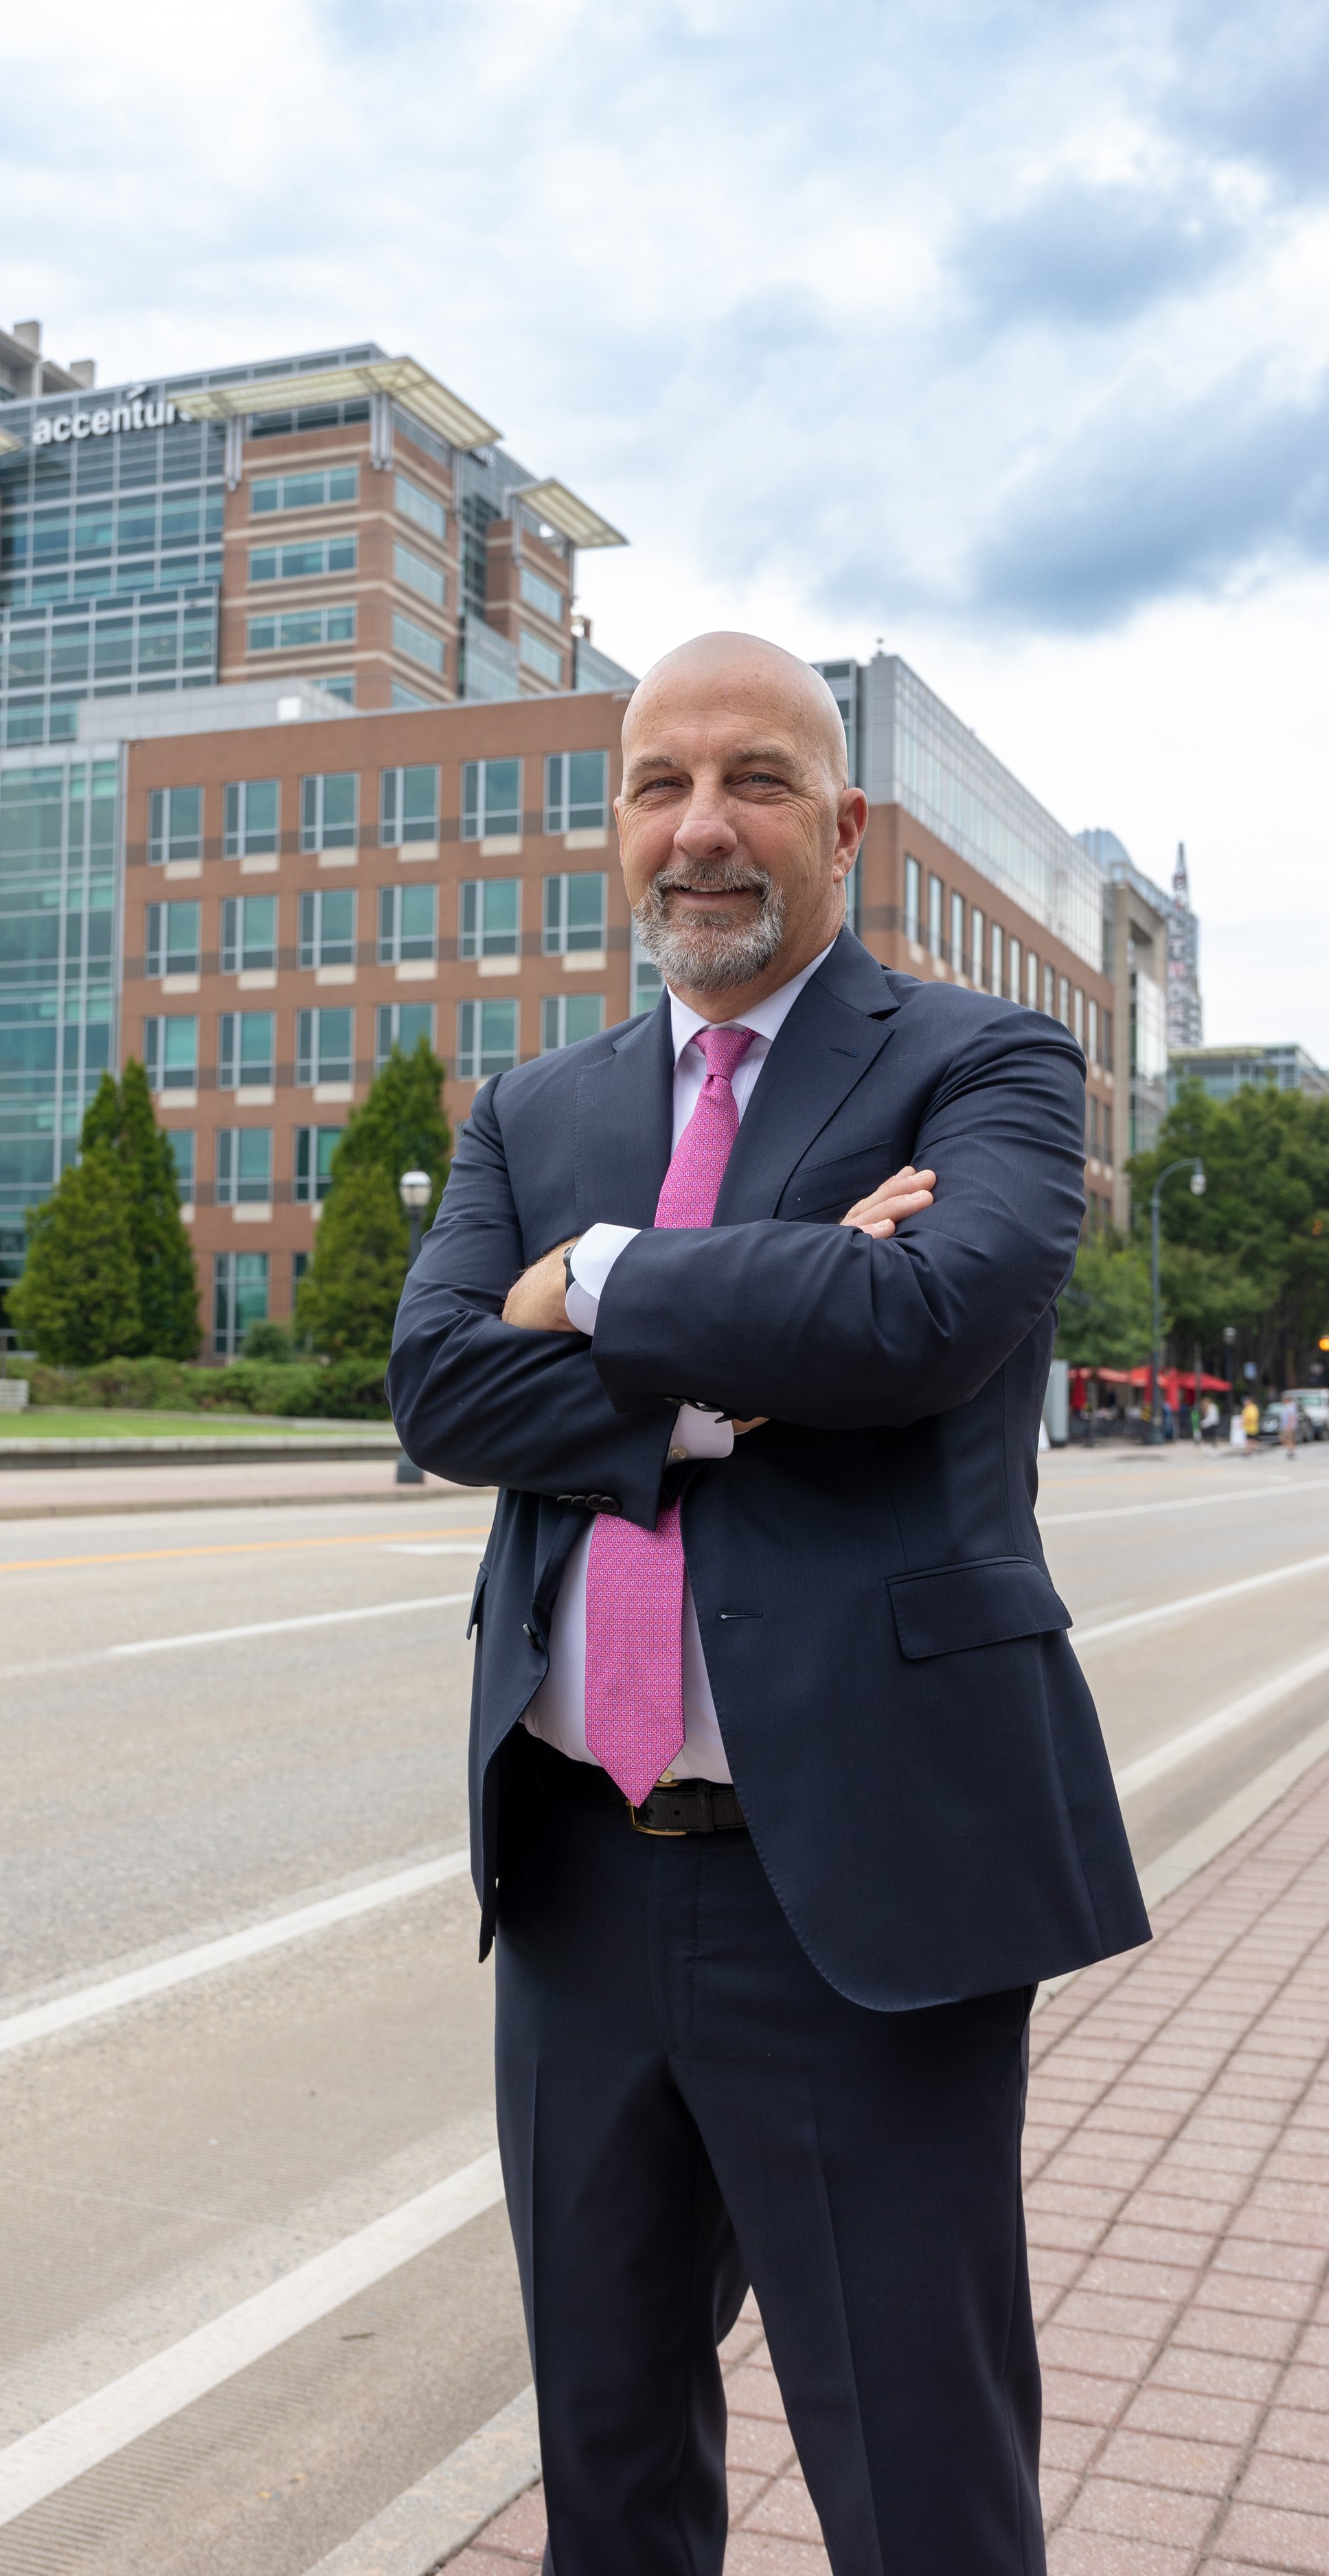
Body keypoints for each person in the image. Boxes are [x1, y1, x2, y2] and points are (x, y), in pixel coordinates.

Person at [389, 632, 1149, 2576]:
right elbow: (443, 1392)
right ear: (617, 825)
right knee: (607, 2456)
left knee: (914, 2478)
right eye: (659, 785)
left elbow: (917, 1322)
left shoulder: (981, 1058)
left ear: (845, 826)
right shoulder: (532, 1105)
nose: (699, 830)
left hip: (865, 1889)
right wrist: (750, 1344)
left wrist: (606, 1274)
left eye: (751, 783)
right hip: (576, 1876)